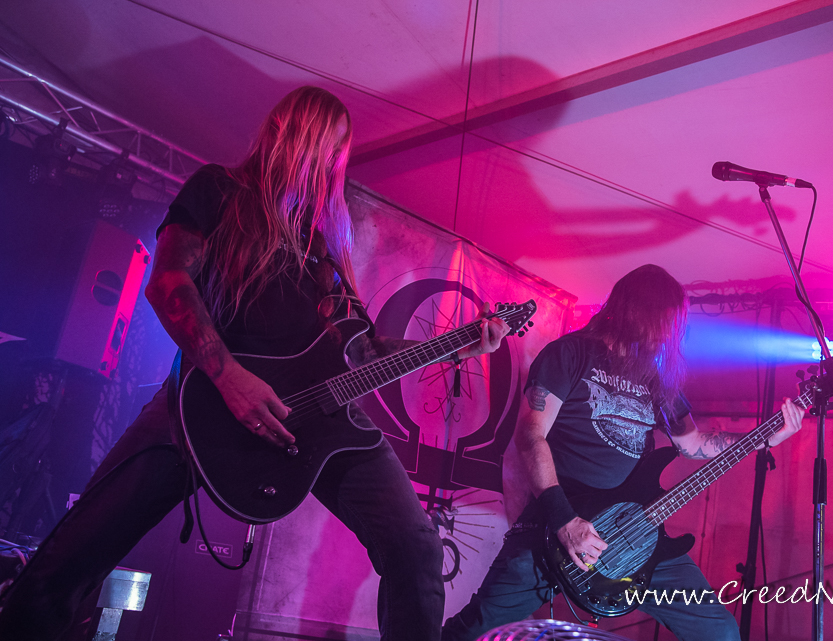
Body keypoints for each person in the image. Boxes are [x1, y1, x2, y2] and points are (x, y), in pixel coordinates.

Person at [0, 86, 508, 641]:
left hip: (319, 419)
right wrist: (229, 378)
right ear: (292, 135)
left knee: (416, 547)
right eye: (327, 145)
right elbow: (168, 282)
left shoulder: (323, 247)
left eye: (337, 152)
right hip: (202, 402)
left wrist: (457, 345)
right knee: (74, 554)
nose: (332, 163)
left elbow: (365, 353)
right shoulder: (220, 191)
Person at [441, 265, 804, 641]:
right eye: (665, 322)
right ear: (637, 311)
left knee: (720, 632)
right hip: (557, 523)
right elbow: (530, 436)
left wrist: (765, 437)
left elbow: (693, 444)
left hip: (633, 534)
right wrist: (565, 521)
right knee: (476, 628)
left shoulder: (657, 378)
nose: (669, 334)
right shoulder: (570, 354)